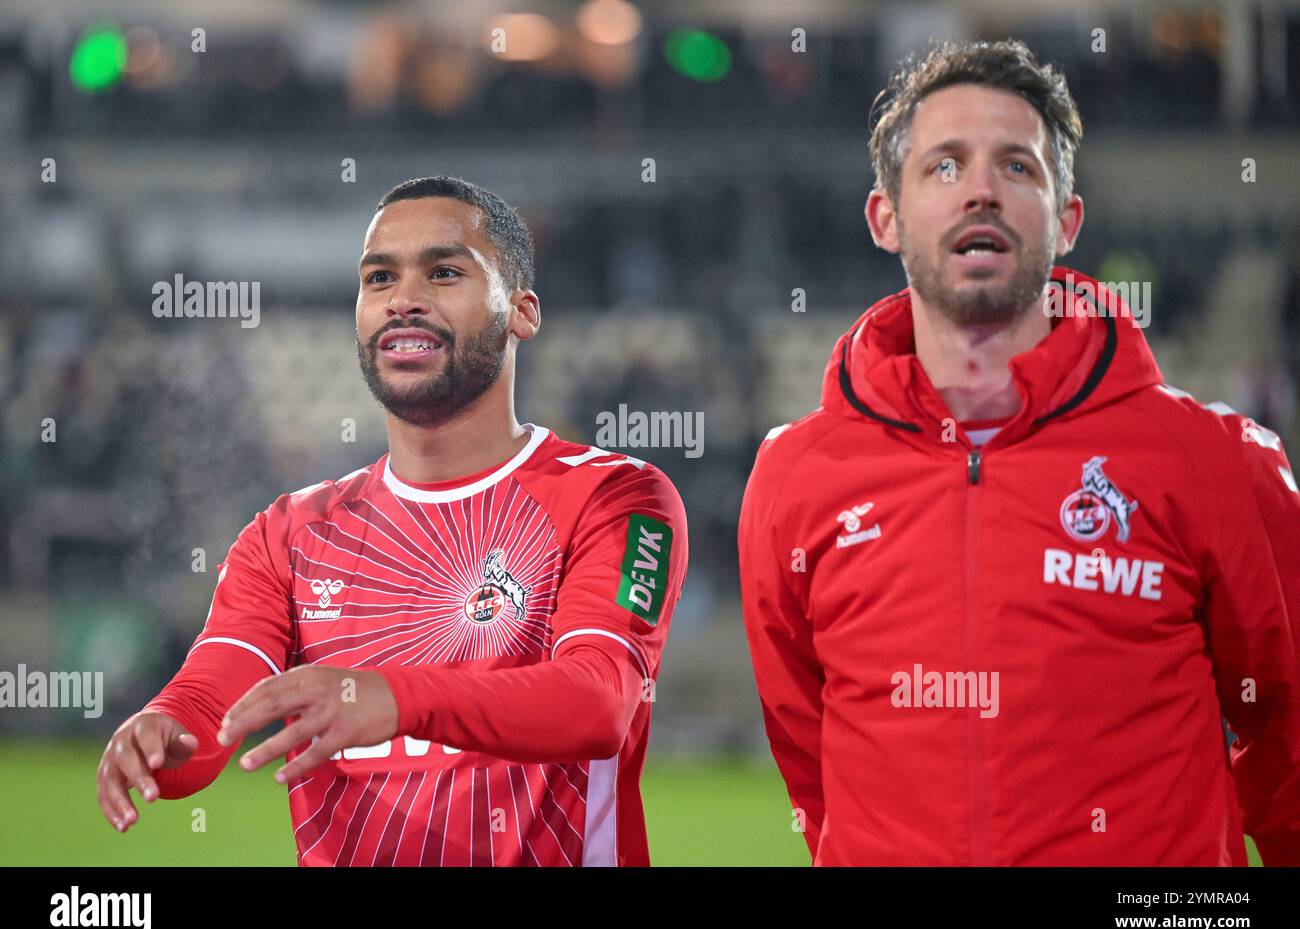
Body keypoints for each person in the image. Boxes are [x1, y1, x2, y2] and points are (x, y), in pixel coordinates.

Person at [738, 39, 1300, 865]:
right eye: (943, 166)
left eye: (1018, 168)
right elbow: (807, 750)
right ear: (884, 216)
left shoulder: (1212, 461)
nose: (981, 192)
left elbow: (1287, 736)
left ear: (1066, 219)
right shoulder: (796, 475)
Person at [96, 176, 688, 866]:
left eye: (443, 273)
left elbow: (598, 703)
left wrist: (394, 697)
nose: (403, 300)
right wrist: (161, 734)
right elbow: (209, 706)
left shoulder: (616, 497)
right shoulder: (286, 535)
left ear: (522, 312)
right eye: (379, 278)